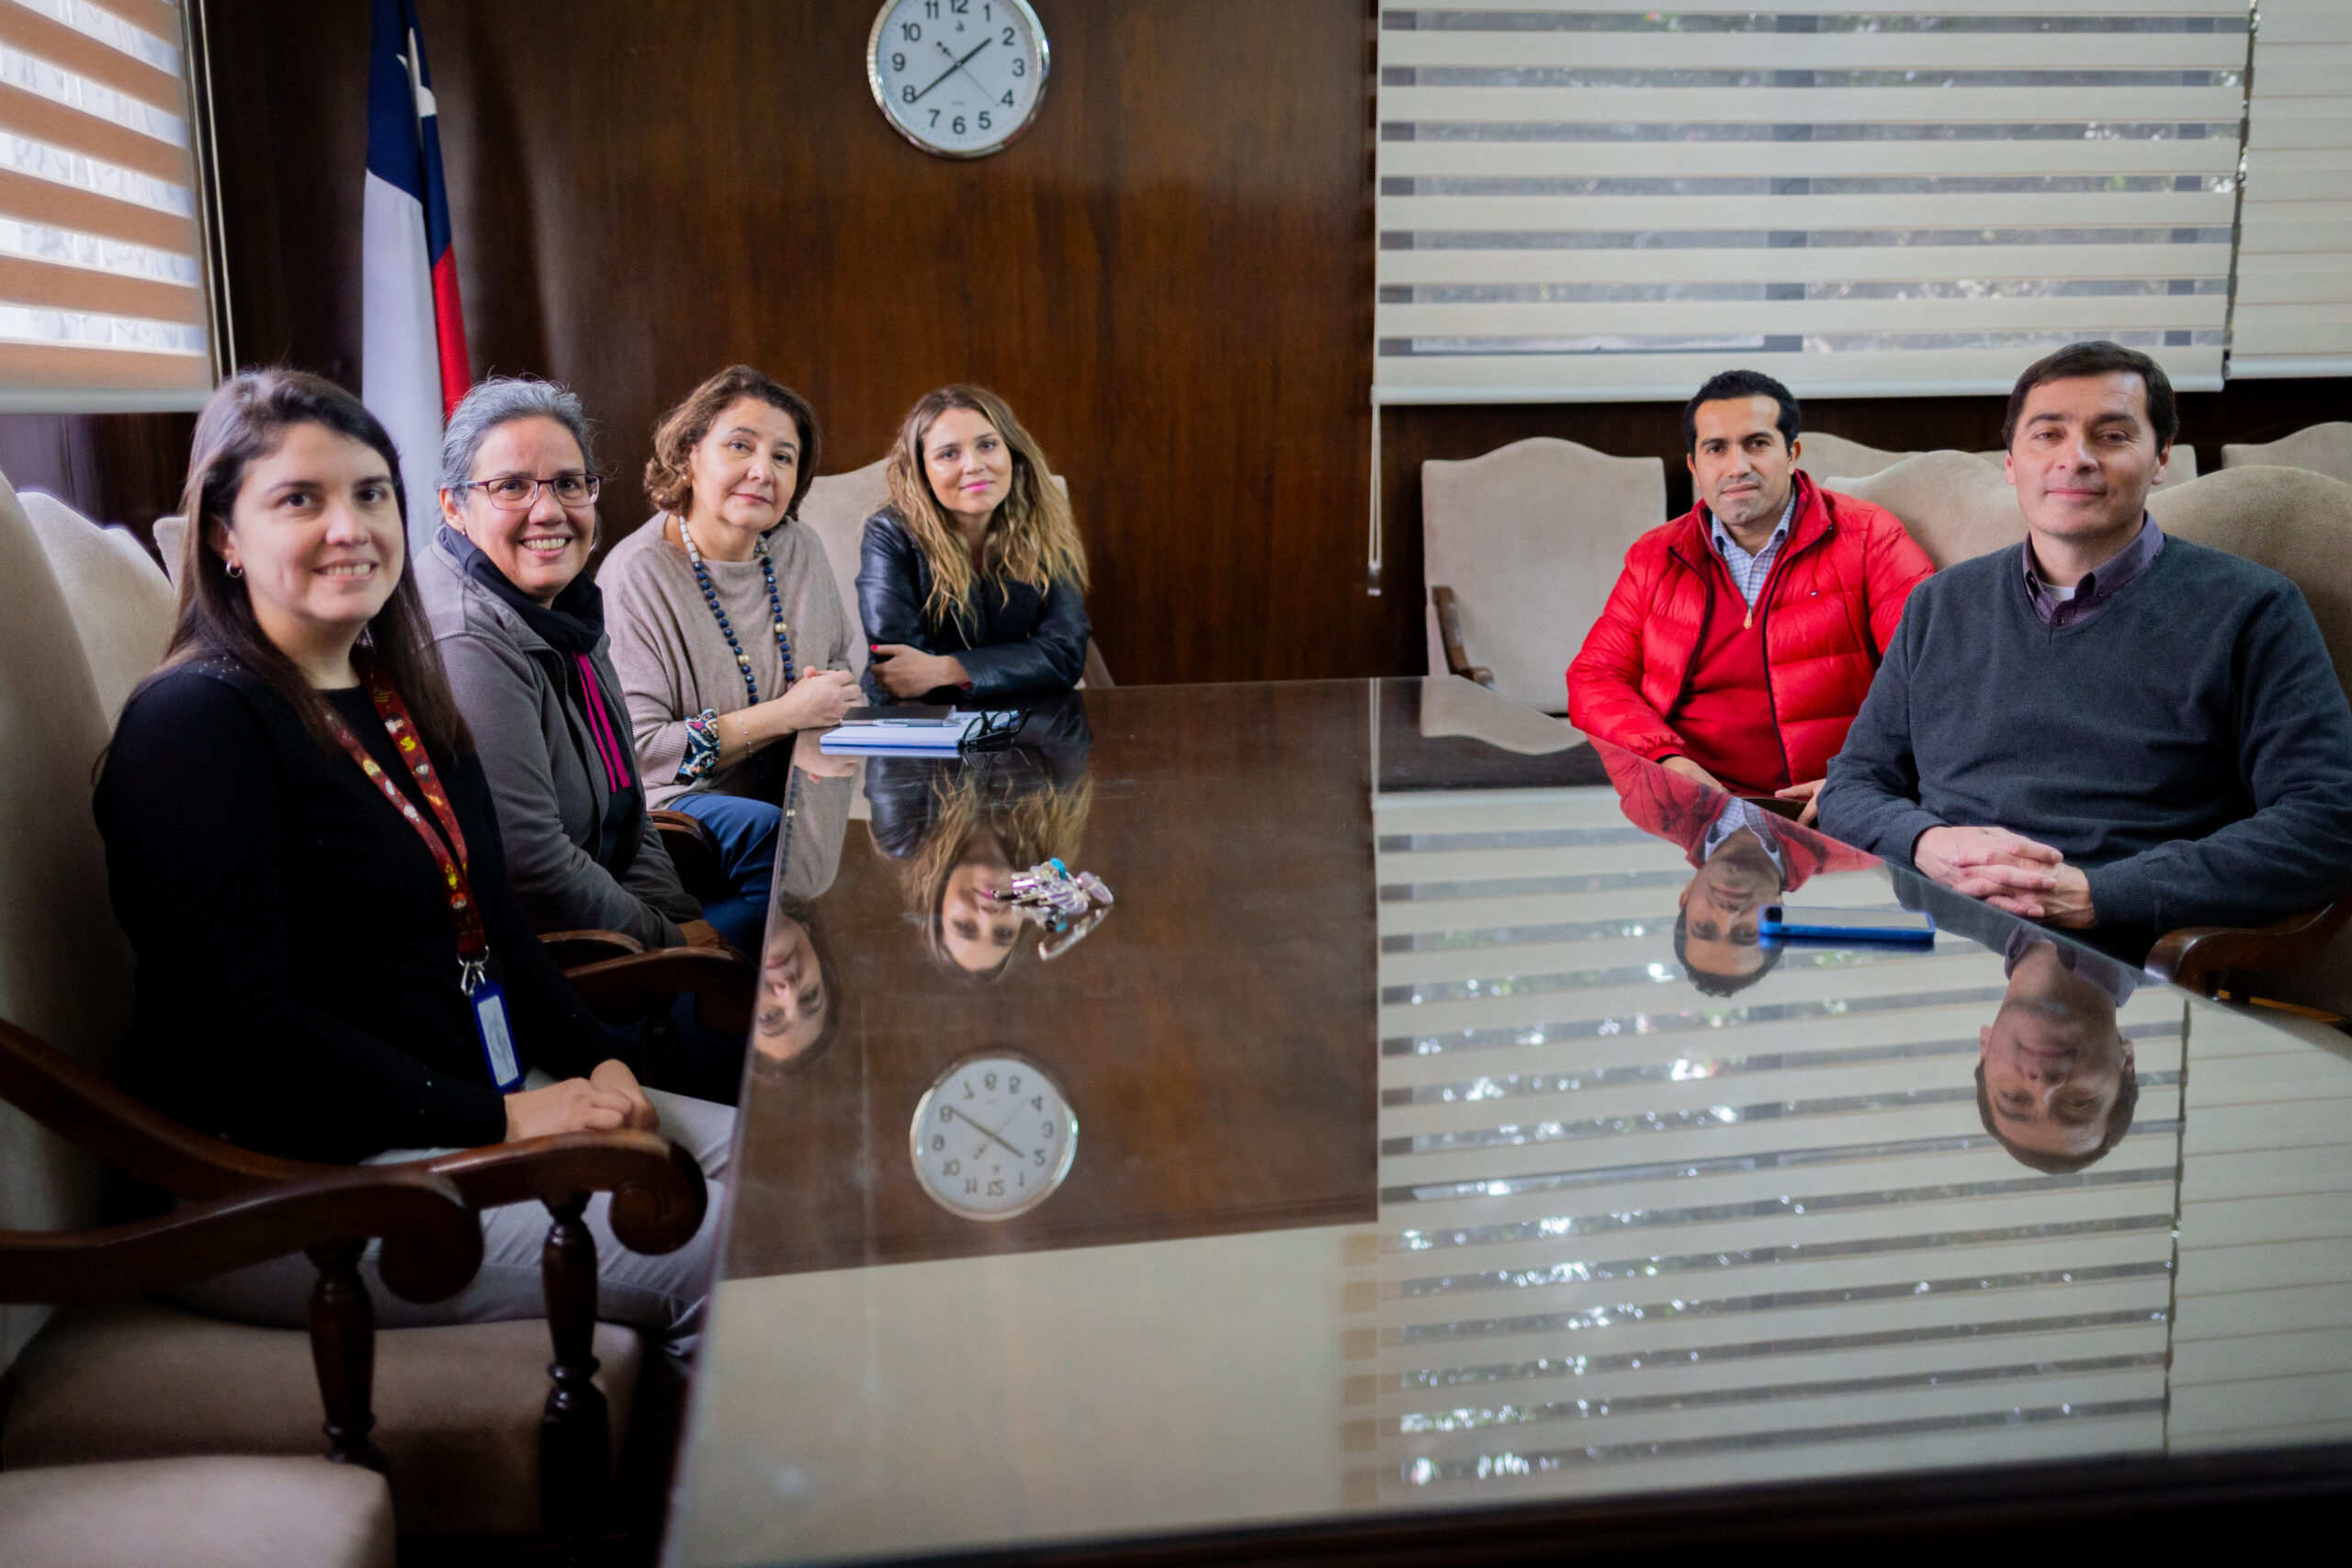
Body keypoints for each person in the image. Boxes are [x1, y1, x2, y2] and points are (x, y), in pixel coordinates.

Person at [95, 368, 727, 1366]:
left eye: (368, 493)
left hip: (455, 1105)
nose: (349, 527)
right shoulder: (193, 725)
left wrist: (606, 1062)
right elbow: (242, 1031)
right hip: (282, 1181)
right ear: (224, 534)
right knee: (727, 1248)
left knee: (781, 1177)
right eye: (300, 499)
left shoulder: (400, 695)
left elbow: (504, 937)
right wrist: (510, 1116)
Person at [1818, 341, 2352, 953]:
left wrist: (2099, 894)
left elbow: (2327, 820)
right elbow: (1853, 784)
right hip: (1945, 950)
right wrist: (1927, 845)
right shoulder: (1940, 604)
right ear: (2011, 461)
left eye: (2112, 435)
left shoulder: (2253, 610)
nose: (2076, 459)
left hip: (2132, 962)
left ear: (2160, 459)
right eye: (2047, 435)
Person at [420, 376, 720, 956]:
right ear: (454, 507)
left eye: (568, 484)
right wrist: (673, 946)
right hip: (542, 967)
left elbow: (628, 808)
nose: (548, 511)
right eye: (511, 486)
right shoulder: (465, 638)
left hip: (618, 917)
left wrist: (678, 921)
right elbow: (533, 869)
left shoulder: (567, 606)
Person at [1567, 369, 1934, 823]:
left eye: (1757, 444)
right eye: (1716, 449)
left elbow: (1930, 675)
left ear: (1791, 454)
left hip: (1822, 809)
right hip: (1688, 808)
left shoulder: (1870, 538)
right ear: (1694, 467)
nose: (1736, 466)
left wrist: (1860, 777)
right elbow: (1595, 677)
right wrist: (1667, 762)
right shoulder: (1655, 555)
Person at [603, 366, 861, 955]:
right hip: (683, 815)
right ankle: (699, 985)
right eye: (740, 445)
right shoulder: (635, 575)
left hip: (800, 782)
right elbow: (645, 753)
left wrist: (826, 701)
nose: (762, 471)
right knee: (781, 854)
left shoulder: (799, 549)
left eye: (784, 457)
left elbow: (837, 670)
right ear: (690, 455)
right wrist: (787, 713)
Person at [857, 384, 1091, 705]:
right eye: (949, 454)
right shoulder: (888, 531)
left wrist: (947, 669)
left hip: (1027, 723)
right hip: (920, 726)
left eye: (987, 445)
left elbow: (1066, 654)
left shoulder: (1043, 520)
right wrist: (1023, 665)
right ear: (923, 472)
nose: (973, 465)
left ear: (1012, 452)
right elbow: (900, 670)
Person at [1602, 741, 1875, 996]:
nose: (1727, 914)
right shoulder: (1856, 848)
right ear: (1777, 914)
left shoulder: (1652, 806)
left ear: (1686, 897)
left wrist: (1663, 754)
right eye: (1746, 934)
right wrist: (1861, 785)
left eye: (1704, 927)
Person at [867, 697, 1093, 976]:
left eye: (965, 926)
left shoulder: (902, 835)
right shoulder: (1054, 825)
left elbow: (903, 716)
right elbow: (1066, 721)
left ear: (935, 906)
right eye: (1003, 932)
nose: (986, 917)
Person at [1978, 930, 2141, 1174]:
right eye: (2079, 1103)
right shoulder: (2200, 925)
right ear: (2127, 1063)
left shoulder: (1928, 897)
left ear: (1985, 1048)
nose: (2043, 1085)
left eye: (2013, 1098)